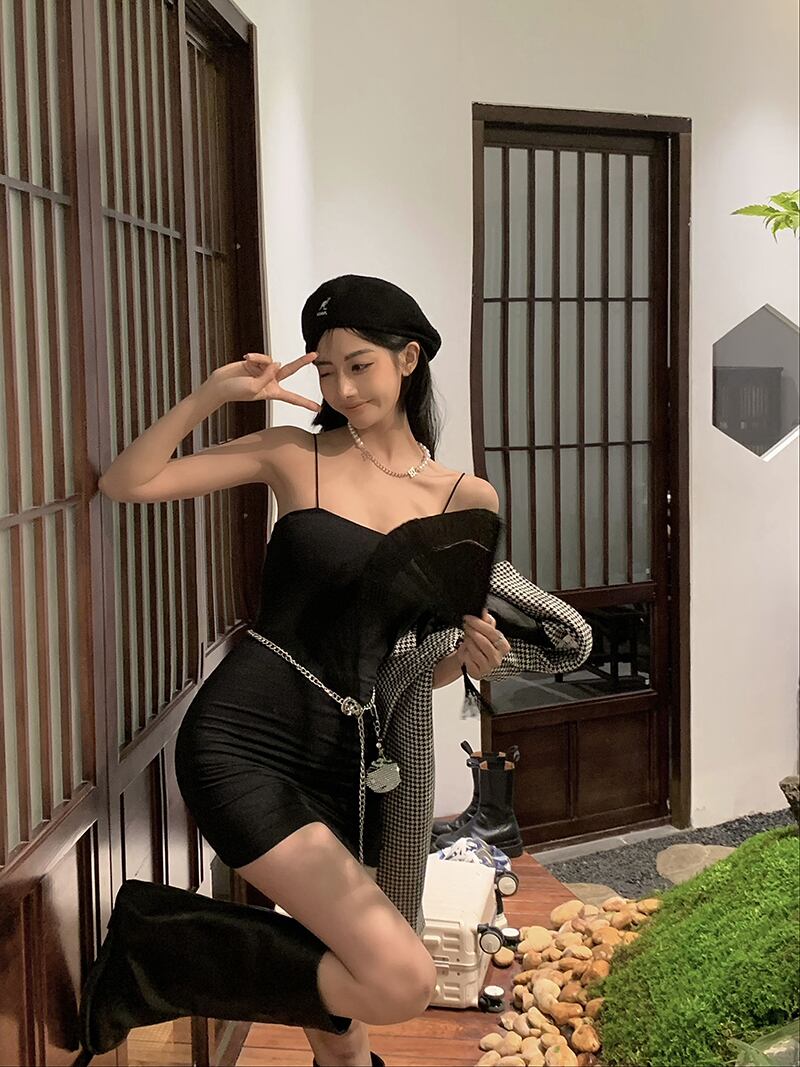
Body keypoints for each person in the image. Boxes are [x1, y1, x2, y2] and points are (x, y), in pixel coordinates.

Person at [90, 274, 511, 1067]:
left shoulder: (466, 499)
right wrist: (212, 396)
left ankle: (170, 948)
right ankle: (155, 954)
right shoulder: (296, 454)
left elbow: (411, 666)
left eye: (360, 365)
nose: (342, 389)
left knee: (347, 1012)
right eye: (325, 369)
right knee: (400, 979)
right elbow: (127, 481)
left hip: (348, 760)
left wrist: (463, 657)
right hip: (242, 738)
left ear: (409, 358)